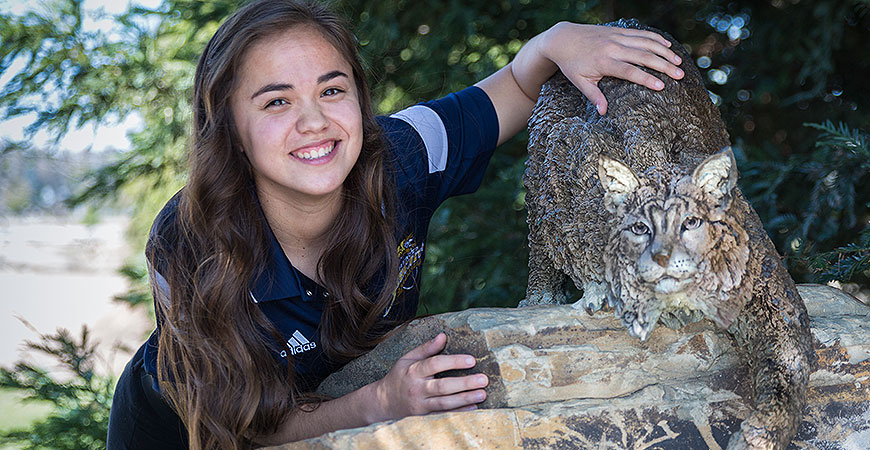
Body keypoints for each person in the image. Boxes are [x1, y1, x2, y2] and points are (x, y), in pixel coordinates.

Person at [106, 1, 684, 448]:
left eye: (332, 90)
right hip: (187, 431)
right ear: (228, 127)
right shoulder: (189, 241)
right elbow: (248, 423)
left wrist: (555, 42)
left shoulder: (402, 156)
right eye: (277, 102)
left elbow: (512, 86)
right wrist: (379, 400)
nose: (314, 121)